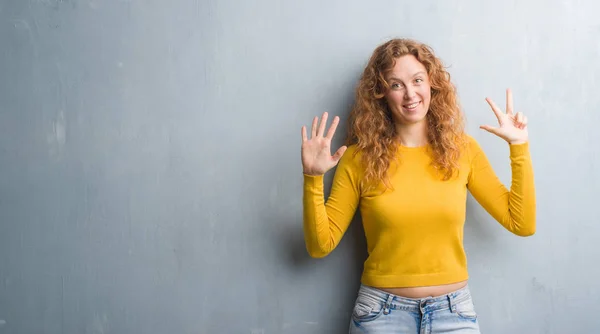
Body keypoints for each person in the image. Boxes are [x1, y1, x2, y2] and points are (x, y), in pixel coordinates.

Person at [300, 38, 535, 333]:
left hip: (454, 315)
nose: (410, 93)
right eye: (396, 84)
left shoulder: (463, 150)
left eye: (417, 80)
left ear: (432, 84)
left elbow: (521, 222)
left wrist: (519, 147)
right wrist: (312, 177)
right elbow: (320, 246)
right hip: (380, 315)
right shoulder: (358, 159)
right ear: (381, 93)